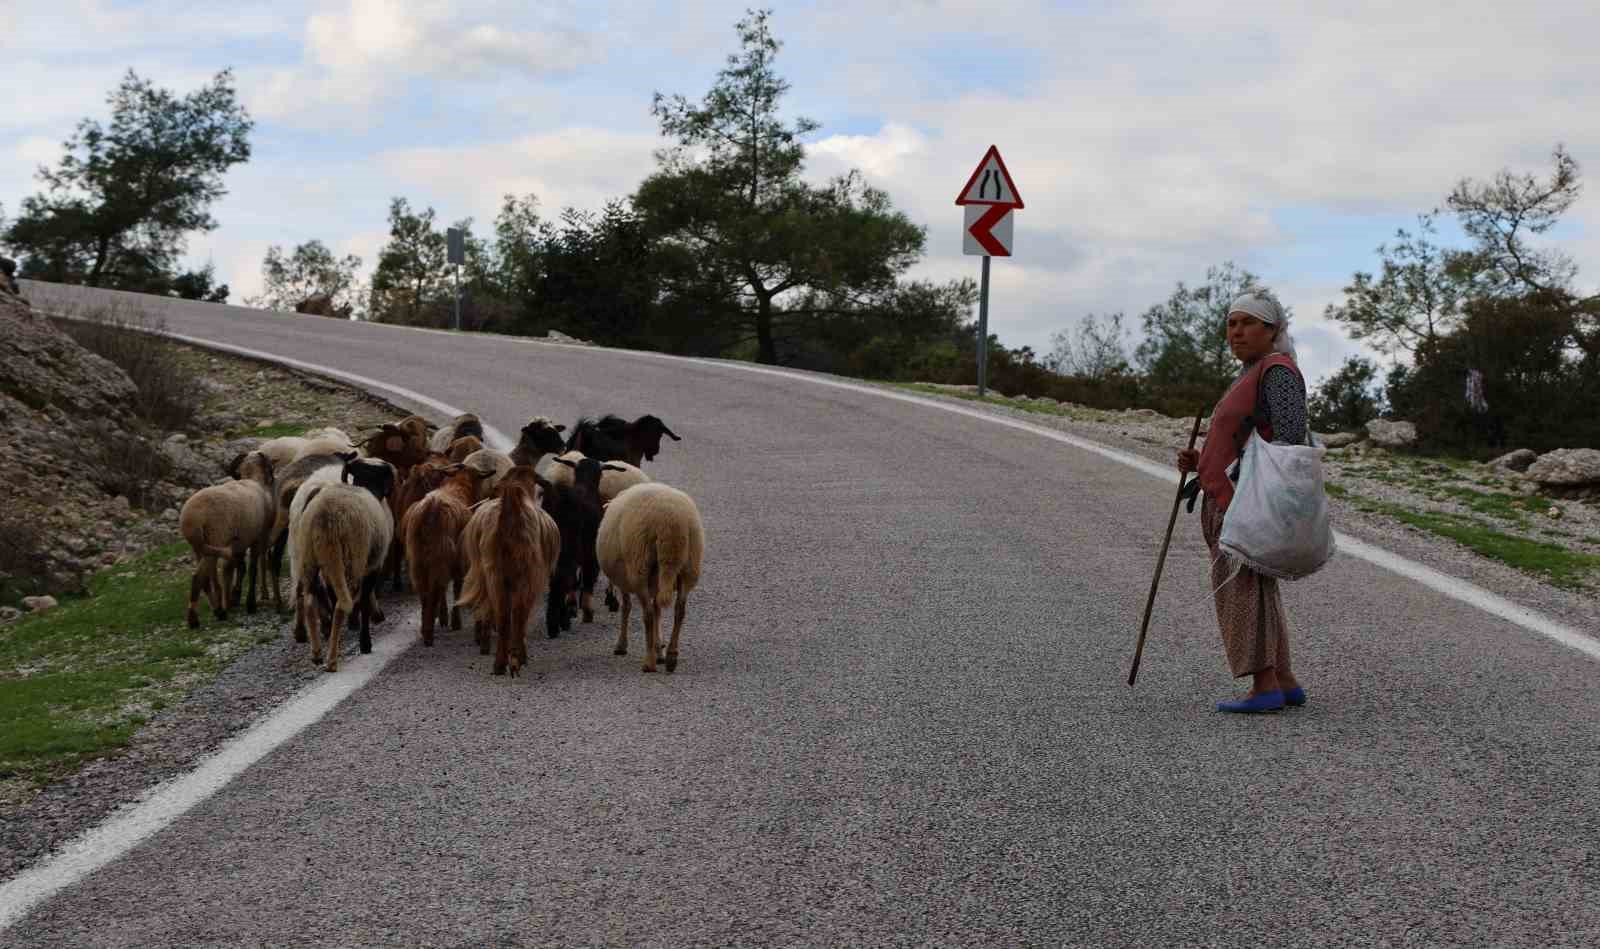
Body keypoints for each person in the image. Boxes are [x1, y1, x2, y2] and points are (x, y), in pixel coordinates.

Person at [1175, 291, 1307, 713]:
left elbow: (1288, 440)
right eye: (1231, 324)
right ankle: (1283, 680)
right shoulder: (1254, 373)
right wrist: (1202, 460)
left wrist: (1254, 487)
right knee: (1255, 587)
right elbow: (1247, 436)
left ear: (1272, 330)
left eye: (1248, 323)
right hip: (1229, 492)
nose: (1236, 332)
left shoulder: (1277, 372)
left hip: (1242, 501)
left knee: (1239, 589)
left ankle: (1263, 686)